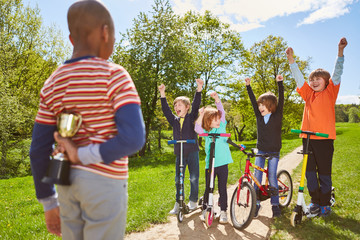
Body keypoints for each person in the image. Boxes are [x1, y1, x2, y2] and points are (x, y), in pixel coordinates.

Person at [29, 1, 146, 239]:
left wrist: (48, 202)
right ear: (105, 33)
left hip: (65, 184)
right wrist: (82, 155)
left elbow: (37, 150)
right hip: (104, 182)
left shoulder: (52, 83)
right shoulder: (114, 75)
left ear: (71, 39)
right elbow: (134, 138)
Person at [286, 37, 348, 217]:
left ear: (326, 82)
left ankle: (325, 203)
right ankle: (315, 201)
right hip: (307, 139)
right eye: (312, 79)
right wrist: (291, 60)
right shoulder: (308, 94)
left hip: (325, 139)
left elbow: (337, 72)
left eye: (318, 79)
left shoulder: (330, 92)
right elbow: (298, 78)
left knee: (324, 174)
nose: (313, 81)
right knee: (310, 173)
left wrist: (340, 52)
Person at [158, 79, 203, 214]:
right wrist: (162, 93)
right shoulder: (174, 120)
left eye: (180, 105)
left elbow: (196, 105)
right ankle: (178, 203)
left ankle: (193, 201)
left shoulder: (191, 117)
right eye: (175, 105)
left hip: (192, 151)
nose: (177, 107)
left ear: (187, 107)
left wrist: (199, 89)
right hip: (180, 152)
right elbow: (166, 110)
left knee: (194, 177)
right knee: (179, 179)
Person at [245, 75, 284, 218]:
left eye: (263, 105)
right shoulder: (259, 116)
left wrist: (280, 84)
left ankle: (275, 205)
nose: (260, 107)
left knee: (272, 177)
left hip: (273, 151)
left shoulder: (277, 115)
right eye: (259, 105)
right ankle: (256, 204)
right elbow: (252, 102)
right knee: (257, 176)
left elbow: (281, 99)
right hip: (261, 150)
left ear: (271, 106)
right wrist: (248, 86)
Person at [195, 92, 233, 224]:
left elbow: (221, 111)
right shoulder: (206, 133)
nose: (217, 121)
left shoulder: (222, 126)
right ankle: (206, 208)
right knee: (208, 188)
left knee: (222, 188)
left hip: (223, 164)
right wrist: (201, 115)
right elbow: (197, 128)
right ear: (208, 122)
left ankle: (223, 210)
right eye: (214, 120)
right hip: (210, 165)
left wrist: (217, 99)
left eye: (218, 119)